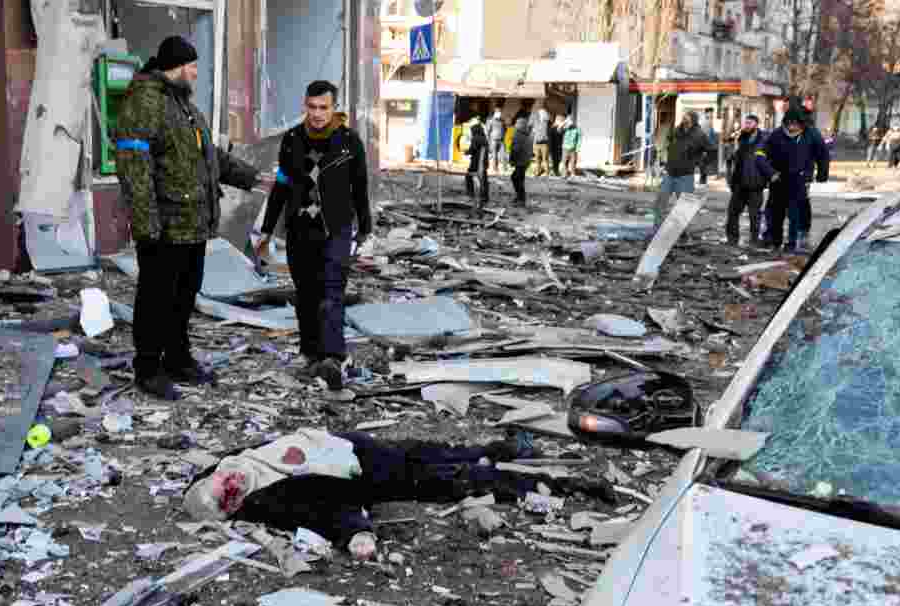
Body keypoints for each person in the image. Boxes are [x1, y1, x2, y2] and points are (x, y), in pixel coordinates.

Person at [184, 429, 616, 560]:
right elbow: (323, 508)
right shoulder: (266, 501)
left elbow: (205, 485)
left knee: (436, 450)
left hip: (354, 446)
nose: (232, 483)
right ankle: (557, 487)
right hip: (367, 473)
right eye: (229, 497)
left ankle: (500, 450)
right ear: (234, 507)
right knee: (453, 479)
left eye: (223, 482)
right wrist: (356, 532)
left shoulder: (231, 461)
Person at [116, 36, 260, 401]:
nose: (196, 73)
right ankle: (148, 368)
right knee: (155, 298)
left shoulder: (185, 108)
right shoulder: (144, 103)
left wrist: (251, 176)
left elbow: (207, 155)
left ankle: (178, 358)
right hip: (163, 226)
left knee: (183, 296)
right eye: (193, 67)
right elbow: (135, 169)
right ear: (177, 66)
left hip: (192, 224)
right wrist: (147, 228)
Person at [258, 80, 372, 391]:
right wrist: (267, 230)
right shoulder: (292, 140)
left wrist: (365, 228)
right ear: (304, 106)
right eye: (312, 107)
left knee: (331, 292)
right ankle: (311, 355)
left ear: (334, 107)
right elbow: (281, 185)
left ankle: (333, 357)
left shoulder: (349, 142)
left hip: (336, 229)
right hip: (299, 230)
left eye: (324, 107)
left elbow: (360, 187)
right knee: (306, 296)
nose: (318, 114)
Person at [758, 107, 830, 254]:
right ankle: (775, 242)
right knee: (776, 214)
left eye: (795, 124)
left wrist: (822, 174)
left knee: (795, 214)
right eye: (789, 124)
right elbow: (760, 155)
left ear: (801, 124)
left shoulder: (811, 134)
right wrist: (770, 173)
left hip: (799, 179)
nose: (792, 127)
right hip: (778, 179)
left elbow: (823, 155)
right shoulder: (776, 135)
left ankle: (791, 243)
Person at [652, 111, 709, 230]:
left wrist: (700, 164)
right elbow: (668, 143)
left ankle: (683, 232)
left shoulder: (699, 135)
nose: (684, 118)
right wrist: (663, 160)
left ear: (693, 120)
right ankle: (657, 229)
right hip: (670, 173)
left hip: (685, 176)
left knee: (684, 205)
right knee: (660, 201)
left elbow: (711, 151)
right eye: (683, 116)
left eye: (687, 117)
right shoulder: (676, 131)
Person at [724, 114, 773, 248]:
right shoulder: (740, 139)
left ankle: (754, 240)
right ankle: (732, 239)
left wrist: (768, 176)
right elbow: (732, 159)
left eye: (749, 123)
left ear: (756, 124)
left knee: (754, 215)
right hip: (739, 183)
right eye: (745, 123)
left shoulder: (765, 139)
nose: (746, 125)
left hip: (755, 184)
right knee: (733, 212)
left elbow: (770, 159)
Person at [463, 114, 490, 206]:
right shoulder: (485, 138)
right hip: (484, 163)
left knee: (468, 176)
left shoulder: (476, 138)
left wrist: (466, 152)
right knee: (484, 179)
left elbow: (472, 150)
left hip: (476, 163)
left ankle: (470, 194)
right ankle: (485, 197)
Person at [509, 116, 534, 206]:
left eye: (517, 123)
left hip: (520, 161)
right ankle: (519, 197)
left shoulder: (518, 134)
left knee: (516, 178)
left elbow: (515, 149)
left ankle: (521, 198)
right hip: (525, 161)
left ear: (520, 125)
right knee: (518, 178)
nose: (515, 125)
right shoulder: (528, 134)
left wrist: (512, 160)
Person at [532, 108, 552, 176]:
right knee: (539, 159)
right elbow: (533, 131)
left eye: (541, 113)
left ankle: (546, 172)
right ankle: (539, 172)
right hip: (538, 143)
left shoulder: (546, 122)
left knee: (544, 159)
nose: (540, 114)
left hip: (543, 143)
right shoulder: (537, 122)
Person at [700, 116, 718, 185]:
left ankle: (703, 178)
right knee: (703, 163)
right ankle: (703, 178)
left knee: (703, 163)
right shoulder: (707, 130)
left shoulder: (710, 129)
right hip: (706, 148)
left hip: (707, 148)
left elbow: (713, 138)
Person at [487, 108, 506, 174]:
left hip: (501, 140)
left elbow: (505, 129)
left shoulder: (502, 120)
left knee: (503, 154)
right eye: (498, 112)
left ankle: (504, 167)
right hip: (493, 140)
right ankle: (495, 168)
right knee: (494, 155)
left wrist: (503, 135)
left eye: (500, 112)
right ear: (495, 113)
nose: (499, 113)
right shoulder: (491, 121)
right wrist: (489, 140)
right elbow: (488, 131)